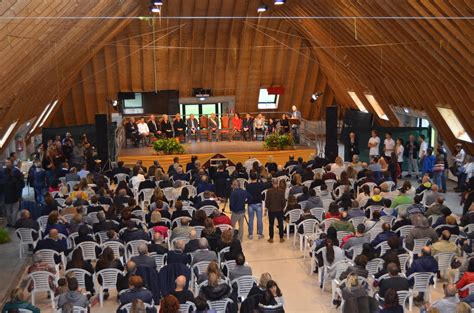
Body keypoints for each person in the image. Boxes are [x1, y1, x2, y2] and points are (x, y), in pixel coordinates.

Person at [265, 179, 286, 243]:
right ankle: (281, 238)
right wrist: (282, 207)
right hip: (280, 210)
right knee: (281, 224)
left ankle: (271, 238)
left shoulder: (269, 191)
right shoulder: (282, 191)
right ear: (277, 183)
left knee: (271, 224)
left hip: (271, 210)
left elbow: (267, 201)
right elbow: (283, 202)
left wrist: (267, 207)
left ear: (272, 183)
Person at [246, 172, 265, 239]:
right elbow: (265, 185)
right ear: (256, 178)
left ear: (250, 178)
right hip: (258, 204)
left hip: (250, 204)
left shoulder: (248, 186)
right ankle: (260, 234)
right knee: (259, 219)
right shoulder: (260, 185)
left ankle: (250, 235)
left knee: (251, 219)